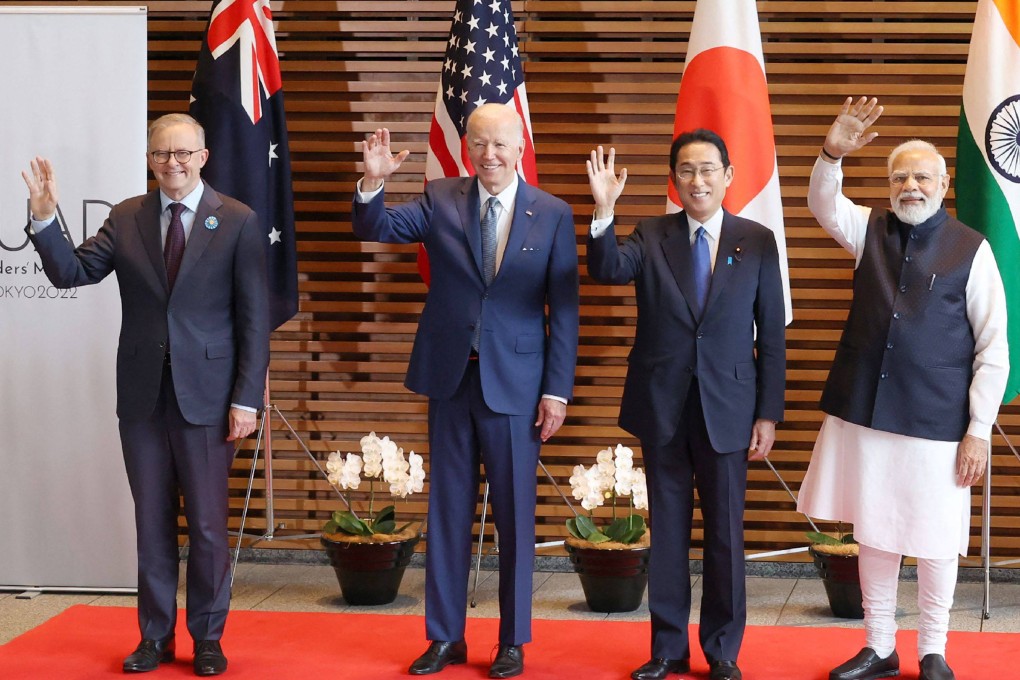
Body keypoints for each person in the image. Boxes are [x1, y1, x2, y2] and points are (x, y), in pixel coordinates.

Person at [21, 113, 270, 677]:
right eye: (162, 154)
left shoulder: (237, 221)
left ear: (203, 157)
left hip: (208, 400)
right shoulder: (126, 216)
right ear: (150, 159)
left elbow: (254, 320)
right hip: (142, 399)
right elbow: (71, 273)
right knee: (152, 523)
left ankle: (208, 638)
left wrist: (246, 399)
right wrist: (43, 217)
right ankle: (154, 637)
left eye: (183, 154)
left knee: (207, 528)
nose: (172, 164)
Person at [351, 102, 579, 679]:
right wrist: (372, 184)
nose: (489, 155)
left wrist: (556, 390)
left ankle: (512, 641)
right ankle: (445, 637)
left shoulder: (551, 213)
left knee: (515, 518)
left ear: (520, 146)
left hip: (519, 387)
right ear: (466, 147)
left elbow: (566, 312)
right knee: (447, 511)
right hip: (451, 380)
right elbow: (376, 227)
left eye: (500, 144)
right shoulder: (440, 198)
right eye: (479, 143)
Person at [797, 97, 1009, 680]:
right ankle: (879, 646)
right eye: (898, 176)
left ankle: (933, 650)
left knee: (937, 539)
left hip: (940, 423)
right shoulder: (869, 229)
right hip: (868, 415)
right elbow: (822, 203)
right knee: (876, 531)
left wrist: (978, 432)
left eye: (921, 176)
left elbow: (994, 349)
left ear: (942, 183)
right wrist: (832, 151)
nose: (909, 185)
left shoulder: (973, 248)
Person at [586, 131, 786, 680]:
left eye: (707, 170)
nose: (696, 181)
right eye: (686, 171)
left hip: (730, 409)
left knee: (725, 536)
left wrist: (767, 412)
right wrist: (604, 210)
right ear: (673, 179)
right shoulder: (650, 235)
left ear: (728, 174)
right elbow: (607, 270)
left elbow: (770, 334)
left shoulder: (758, 240)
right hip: (664, 407)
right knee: (668, 533)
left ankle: (723, 650)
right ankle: (667, 650)